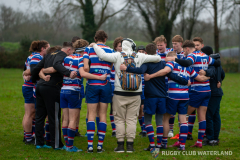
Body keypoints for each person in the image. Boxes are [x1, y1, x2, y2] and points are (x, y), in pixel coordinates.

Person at [89, 38, 161, 153]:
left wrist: (94, 45)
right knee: (132, 119)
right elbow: (158, 58)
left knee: (119, 119)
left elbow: (102, 55)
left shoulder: (117, 55)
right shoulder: (140, 56)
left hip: (119, 92)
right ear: (133, 45)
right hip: (136, 93)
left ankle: (120, 145)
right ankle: (130, 146)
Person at [119, 44, 189, 157]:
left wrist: (126, 68)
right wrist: (185, 82)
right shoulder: (162, 63)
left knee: (148, 121)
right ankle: (159, 145)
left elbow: (140, 70)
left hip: (151, 97)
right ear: (156, 51)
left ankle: (152, 145)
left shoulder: (146, 63)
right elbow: (171, 75)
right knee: (159, 122)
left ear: (146, 53)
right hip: (162, 97)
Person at [145, 51, 210, 150]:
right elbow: (200, 78)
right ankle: (182, 145)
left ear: (169, 58)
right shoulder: (189, 67)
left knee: (165, 118)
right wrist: (211, 75)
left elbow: (165, 71)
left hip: (173, 96)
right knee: (183, 120)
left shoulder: (172, 63)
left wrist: (150, 76)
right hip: (185, 96)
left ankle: (164, 143)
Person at [165, 40, 220, 148]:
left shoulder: (193, 56)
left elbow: (187, 63)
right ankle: (199, 142)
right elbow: (217, 63)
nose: (184, 54)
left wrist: (173, 58)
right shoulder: (205, 56)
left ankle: (181, 142)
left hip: (197, 90)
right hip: (207, 90)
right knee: (202, 117)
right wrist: (207, 74)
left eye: (185, 52)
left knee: (183, 116)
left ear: (187, 49)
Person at [31, 42, 77, 150]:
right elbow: (57, 65)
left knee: (40, 116)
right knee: (54, 117)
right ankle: (56, 144)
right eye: (72, 53)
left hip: (40, 87)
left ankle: (39, 143)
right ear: (69, 50)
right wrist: (68, 72)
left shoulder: (49, 55)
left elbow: (36, 68)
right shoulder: (62, 55)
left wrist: (35, 80)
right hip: (52, 88)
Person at [80, 30, 114, 153]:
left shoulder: (88, 50)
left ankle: (90, 146)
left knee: (91, 115)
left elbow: (85, 67)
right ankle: (100, 146)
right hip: (105, 84)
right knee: (103, 115)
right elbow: (111, 66)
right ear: (105, 39)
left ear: (95, 39)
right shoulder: (111, 51)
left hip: (92, 84)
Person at [199, 46, 225, 146]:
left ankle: (210, 138)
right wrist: (220, 81)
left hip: (213, 92)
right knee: (215, 115)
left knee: (209, 115)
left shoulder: (211, 63)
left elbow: (212, 72)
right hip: (217, 92)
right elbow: (222, 74)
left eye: (202, 53)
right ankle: (215, 138)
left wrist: (205, 73)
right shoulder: (217, 61)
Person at [22, 41, 39, 144]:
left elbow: (25, 71)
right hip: (29, 87)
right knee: (30, 113)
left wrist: (24, 74)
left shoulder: (30, 56)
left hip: (28, 86)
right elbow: (31, 71)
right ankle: (28, 137)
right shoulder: (36, 57)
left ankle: (27, 135)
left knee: (31, 113)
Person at [110, 37, 123, 137]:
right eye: (119, 46)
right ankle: (114, 129)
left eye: (123, 45)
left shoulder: (126, 56)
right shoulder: (112, 56)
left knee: (121, 109)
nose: (121, 48)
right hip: (112, 84)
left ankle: (121, 129)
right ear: (115, 47)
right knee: (112, 108)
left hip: (122, 86)